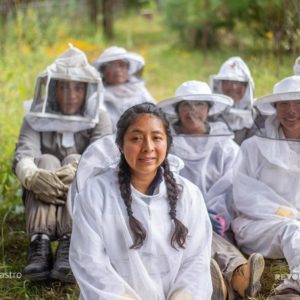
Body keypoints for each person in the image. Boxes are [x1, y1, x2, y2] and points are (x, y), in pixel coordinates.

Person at [69, 103, 213, 300]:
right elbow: (89, 262)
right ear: (120, 144)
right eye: (136, 138)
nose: (148, 147)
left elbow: (196, 260)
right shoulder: (95, 193)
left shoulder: (189, 194)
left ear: (168, 144)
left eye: (156, 138)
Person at [12, 45, 112, 282]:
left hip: (83, 193)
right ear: (53, 89)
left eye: (77, 88)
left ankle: (71, 242)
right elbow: (24, 153)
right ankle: (40, 243)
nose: (70, 94)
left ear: (87, 90)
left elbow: (104, 156)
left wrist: (78, 172)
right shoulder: (34, 116)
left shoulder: (100, 116)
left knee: (76, 160)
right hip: (40, 190)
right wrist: (34, 177)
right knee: (45, 160)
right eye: (64, 87)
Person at [158, 80, 265, 300]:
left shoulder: (226, 146)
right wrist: (192, 213)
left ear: (209, 109)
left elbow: (232, 187)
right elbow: (162, 184)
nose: (192, 111)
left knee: (207, 232)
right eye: (185, 106)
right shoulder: (165, 145)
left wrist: (215, 215)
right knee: (192, 234)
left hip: (220, 221)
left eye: (199, 105)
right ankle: (237, 274)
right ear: (177, 111)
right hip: (176, 218)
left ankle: (234, 278)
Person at [231, 75, 300, 299]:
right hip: (259, 226)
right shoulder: (253, 147)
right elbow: (245, 197)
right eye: (284, 104)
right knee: (291, 229)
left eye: (298, 104)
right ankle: (293, 286)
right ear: (274, 108)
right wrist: (290, 215)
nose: (291, 111)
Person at [92, 46, 155, 129]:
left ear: (128, 69)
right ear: (103, 71)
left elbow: (155, 113)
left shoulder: (139, 90)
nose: (118, 70)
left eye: (121, 65)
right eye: (112, 66)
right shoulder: (97, 94)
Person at [210, 56, 261, 145]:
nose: (233, 87)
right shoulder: (210, 114)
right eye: (228, 82)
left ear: (247, 87)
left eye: (239, 83)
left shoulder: (256, 116)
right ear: (219, 85)